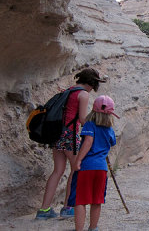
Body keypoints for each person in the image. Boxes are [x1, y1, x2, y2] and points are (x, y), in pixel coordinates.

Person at [35, 68, 106, 220]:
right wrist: (96, 124)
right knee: (76, 170)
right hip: (70, 136)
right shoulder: (83, 94)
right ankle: (68, 207)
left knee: (57, 171)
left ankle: (44, 209)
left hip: (57, 134)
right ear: (92, 83)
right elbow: (81, 119)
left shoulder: (69, 90)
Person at [68, 95, 118, 231]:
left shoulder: (90, 125)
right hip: (101, 168)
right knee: (97, 200)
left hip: (87, 167)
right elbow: (112, 143)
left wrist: (77, 161)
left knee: (80, 200)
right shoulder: (110, 129)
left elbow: (88, 142)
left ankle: (79, 229)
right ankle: (93, 227)